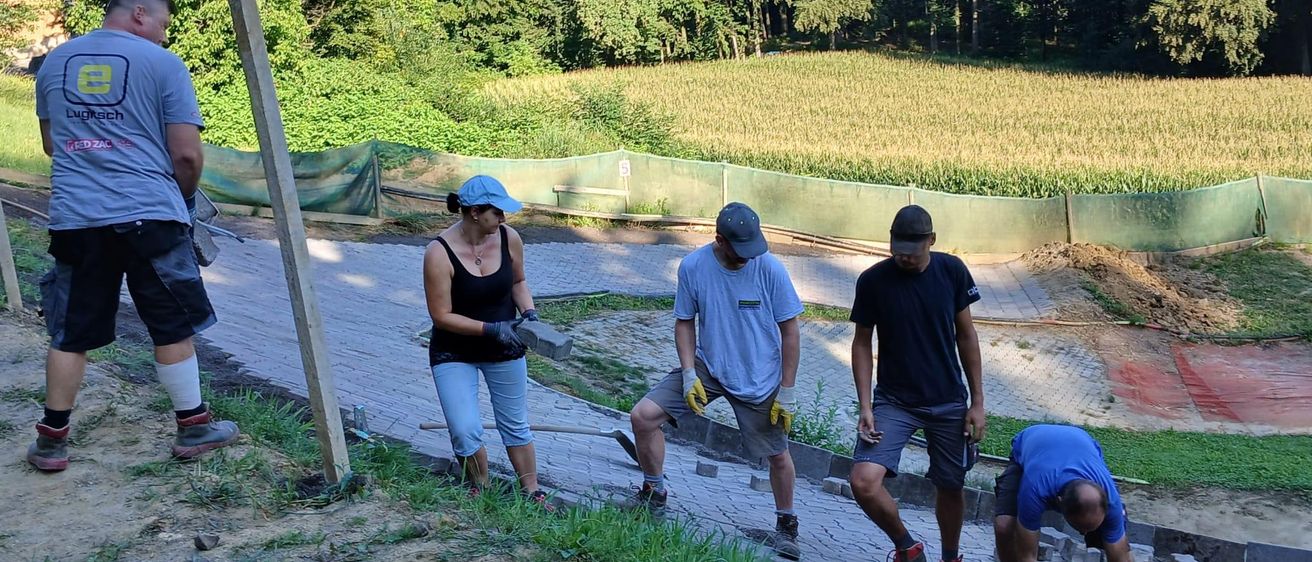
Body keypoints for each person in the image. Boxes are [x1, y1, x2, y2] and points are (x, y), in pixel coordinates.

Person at [28, 0, 238, 472]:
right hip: (150, 216)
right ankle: (194, 426)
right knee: (171, 324)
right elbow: (186, 155)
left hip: (77, 217)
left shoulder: (54, 63)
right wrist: (180, 202)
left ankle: (52, 441)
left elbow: (50, 143)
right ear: (140, 13)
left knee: (70, 334)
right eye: (163, 24)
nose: (164, 34)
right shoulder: (164, 64)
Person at [623, 202, 805, 560]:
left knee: (778, 455)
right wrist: (689, 372)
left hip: (759, 377)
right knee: (642, 417)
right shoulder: (694, 267)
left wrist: (787, 389)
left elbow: (791, 331)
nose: (748, 257)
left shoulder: (769, 269)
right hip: (708, 369)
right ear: (719, 239)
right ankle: (654, 493)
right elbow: (685, 321)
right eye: (740, 250)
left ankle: (787, 526)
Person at [848, 205, 986, 562]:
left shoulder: (952, 271)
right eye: (897, 251)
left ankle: (951, 556)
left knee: (951, 485)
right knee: (863, 481)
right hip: (894, 402)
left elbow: (966, 335)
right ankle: (907, 547)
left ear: (932, 241)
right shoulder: (873, 281)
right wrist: (865, 405)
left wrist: (977, 402)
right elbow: (862, 342)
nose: (904, 258)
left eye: (912, 251)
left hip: (948, 403)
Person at [423, 175, 553, 508]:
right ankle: (481, 487)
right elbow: (441, 315)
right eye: (497, 212)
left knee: (515, 424)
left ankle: (532, 491)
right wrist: (490, 329)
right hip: (455, 351)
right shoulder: (438, 253)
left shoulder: (510, 238)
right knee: (464, 430)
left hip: (505, 348)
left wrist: (530, 313)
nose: (504, 219)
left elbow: (519, 281)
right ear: (475, 212)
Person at [994, 425, 1133, 562]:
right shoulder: (1035, 488)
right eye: (1080, 527)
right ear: (1059, 501)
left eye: (1089, 528)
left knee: (1118, 543)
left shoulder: (1111, 499)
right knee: (1005, 526)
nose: (1083, 534)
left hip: (1081, 441)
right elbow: (1027, 556)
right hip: (1033, 444)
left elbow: (1120, 557)